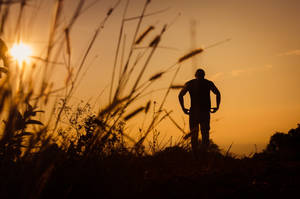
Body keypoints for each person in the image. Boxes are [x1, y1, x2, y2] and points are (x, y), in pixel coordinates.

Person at [178, 68, 221, 155]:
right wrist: (217, 106)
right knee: (204, 133)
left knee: (195, 134)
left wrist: (183, 108)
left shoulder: (190, 83)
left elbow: (180, 95)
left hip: (194, 112)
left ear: (195, 75)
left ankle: (196, 154)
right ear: (204, 75)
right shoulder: (208, 83)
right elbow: (218, 93)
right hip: (204, 112)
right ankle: (203, 154)